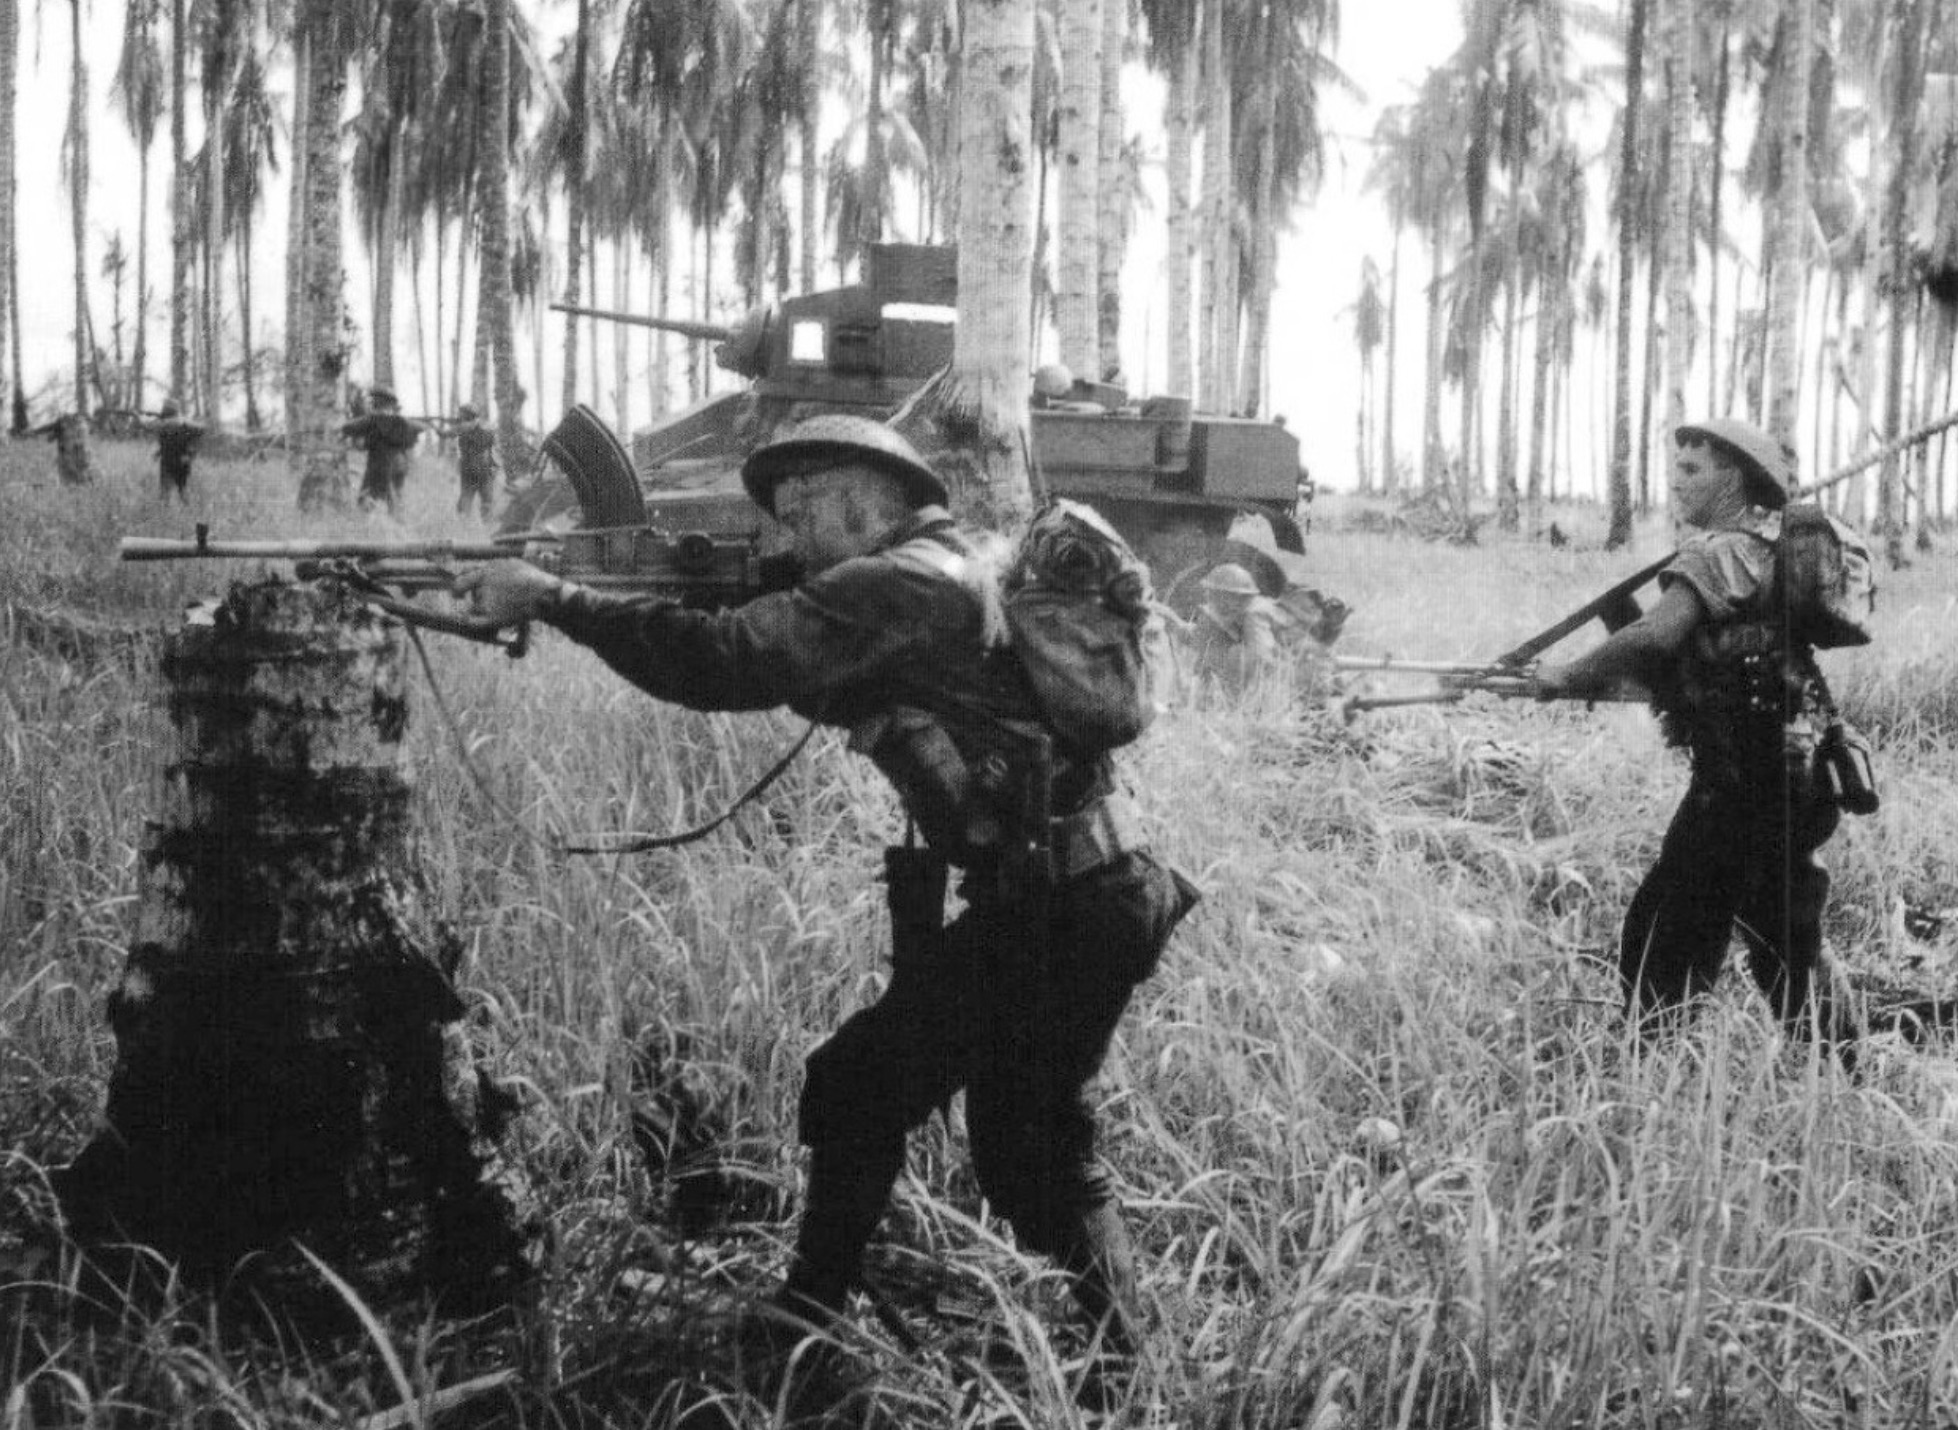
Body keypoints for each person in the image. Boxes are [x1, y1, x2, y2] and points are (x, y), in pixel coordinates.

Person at [455, 414, 1198, 1387]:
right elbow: (815, 674)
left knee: (1025, 1147)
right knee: (875, 1089)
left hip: (1063, 908)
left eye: (803, 511)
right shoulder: (945, 566)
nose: (783, 538)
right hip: (1063, 900)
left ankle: (1127, 1369)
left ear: (870, 495)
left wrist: (556, 596)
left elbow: (722, 661)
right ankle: (810, 1320)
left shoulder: (906, 582)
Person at [1536, 418, 1865, 1065]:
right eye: (1675, 466)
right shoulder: (1769, 550)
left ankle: (1638, 1069)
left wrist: (1566, 674)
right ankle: (1848, 1069)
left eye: (1693, 470)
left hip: (1741, 784)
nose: (1676, 479)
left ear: (1734, 477)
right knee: (1787, 935)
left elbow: (1656, 637)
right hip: (1802, 774)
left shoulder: (1719, 553)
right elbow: (1709, 661)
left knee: (1670, 922)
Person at [1182, 562, 1283, 698]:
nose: (1210, 597)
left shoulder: (1254, 614)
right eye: (1210, 592)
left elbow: (1260, 659)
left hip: (1281, 673)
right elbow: (1201, 645)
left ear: (1234, 596)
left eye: (1215, 593)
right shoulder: (1230, 611)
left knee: (1234, 653)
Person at [342, 386, 422, 515]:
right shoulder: (402, 421)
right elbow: (418, 430)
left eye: (373, 400)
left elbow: (348, 427)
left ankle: (366, 528)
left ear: (378, 402)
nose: (371, 403)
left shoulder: (373, 419)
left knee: (366, 498)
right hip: (400, 464)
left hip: (380, 464)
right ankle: (398, 529)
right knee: (395, 499)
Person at [451, 404, 498, 520]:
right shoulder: (463, 437)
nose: (462, 423)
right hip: (469, 474)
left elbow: (493, 453)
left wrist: (494, 467)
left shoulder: (485, 434)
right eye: (462, 421)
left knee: (486, 504)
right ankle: (464, 529)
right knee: (464, 506)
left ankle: (487, 531)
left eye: (465, 420)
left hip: (483, 474)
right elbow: (462, 456)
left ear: (474, 420)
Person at [153, 402, 205, 503]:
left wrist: (190, 453)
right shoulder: (183, 425)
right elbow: (166, 442)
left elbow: (198, 434)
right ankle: (183, 511)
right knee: (177, 490)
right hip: (174, 460)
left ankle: (169, 513)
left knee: (171, 490)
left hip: (176, 461)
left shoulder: (185, 425)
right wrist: (159, 452)